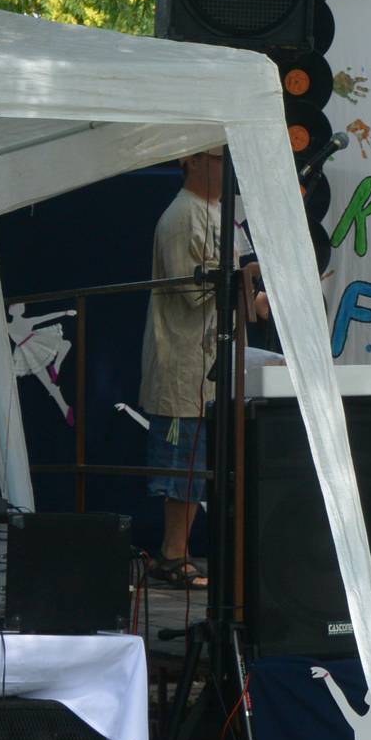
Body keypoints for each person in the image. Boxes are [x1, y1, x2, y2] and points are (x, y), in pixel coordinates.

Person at [140, 146, 267, 590]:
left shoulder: (221, 213)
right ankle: (172, 553)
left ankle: (185, 550)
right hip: (184, 358)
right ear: (190, 160)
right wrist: (243, 279)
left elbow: (229, 278)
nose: (225, 168)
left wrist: (254, 294)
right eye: (217, 158)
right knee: (184, 459)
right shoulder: (181, 215)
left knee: (203, 457)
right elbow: (190, 289)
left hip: (213, 355)